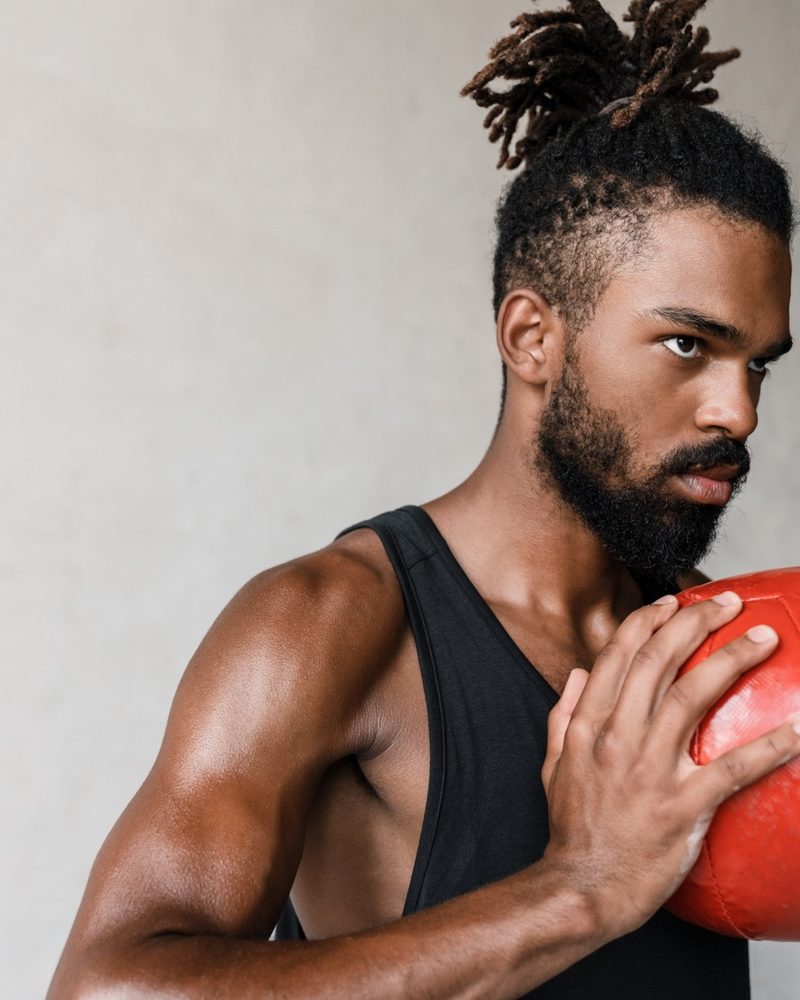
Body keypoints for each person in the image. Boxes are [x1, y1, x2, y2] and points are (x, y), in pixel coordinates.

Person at [48, 2, 798, 998]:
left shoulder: (724, 642)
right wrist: (578, 890)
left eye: (759, 363)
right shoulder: (327, 624)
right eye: (686, 344)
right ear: (532, 338)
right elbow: (103, 987)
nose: (737, 411)